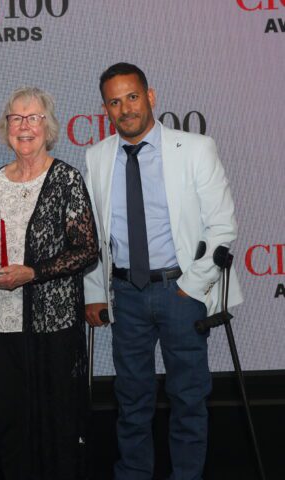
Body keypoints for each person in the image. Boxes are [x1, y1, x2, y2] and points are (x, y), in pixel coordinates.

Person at [84, 63, 243, 479]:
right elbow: (97, 234)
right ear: (106, 108)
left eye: (132, 97)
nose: (125, 109)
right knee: (131, 399)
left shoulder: (194, 148)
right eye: (114, 102)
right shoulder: (97, 156)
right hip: (126, 294)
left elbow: (223, 226)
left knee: (189, 397)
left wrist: (191, 288)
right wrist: (96, 291)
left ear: (150, 96)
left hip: (180, 292)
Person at [0, 87, 98, 480]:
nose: (24, 127)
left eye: (33, 118)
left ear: (49, 126)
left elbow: (87, 250)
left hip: (49, 328)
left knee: (53, 428)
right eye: (16, 118)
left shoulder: (66, 179)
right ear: (5, 127)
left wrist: (33, 272)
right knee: (9, 424)